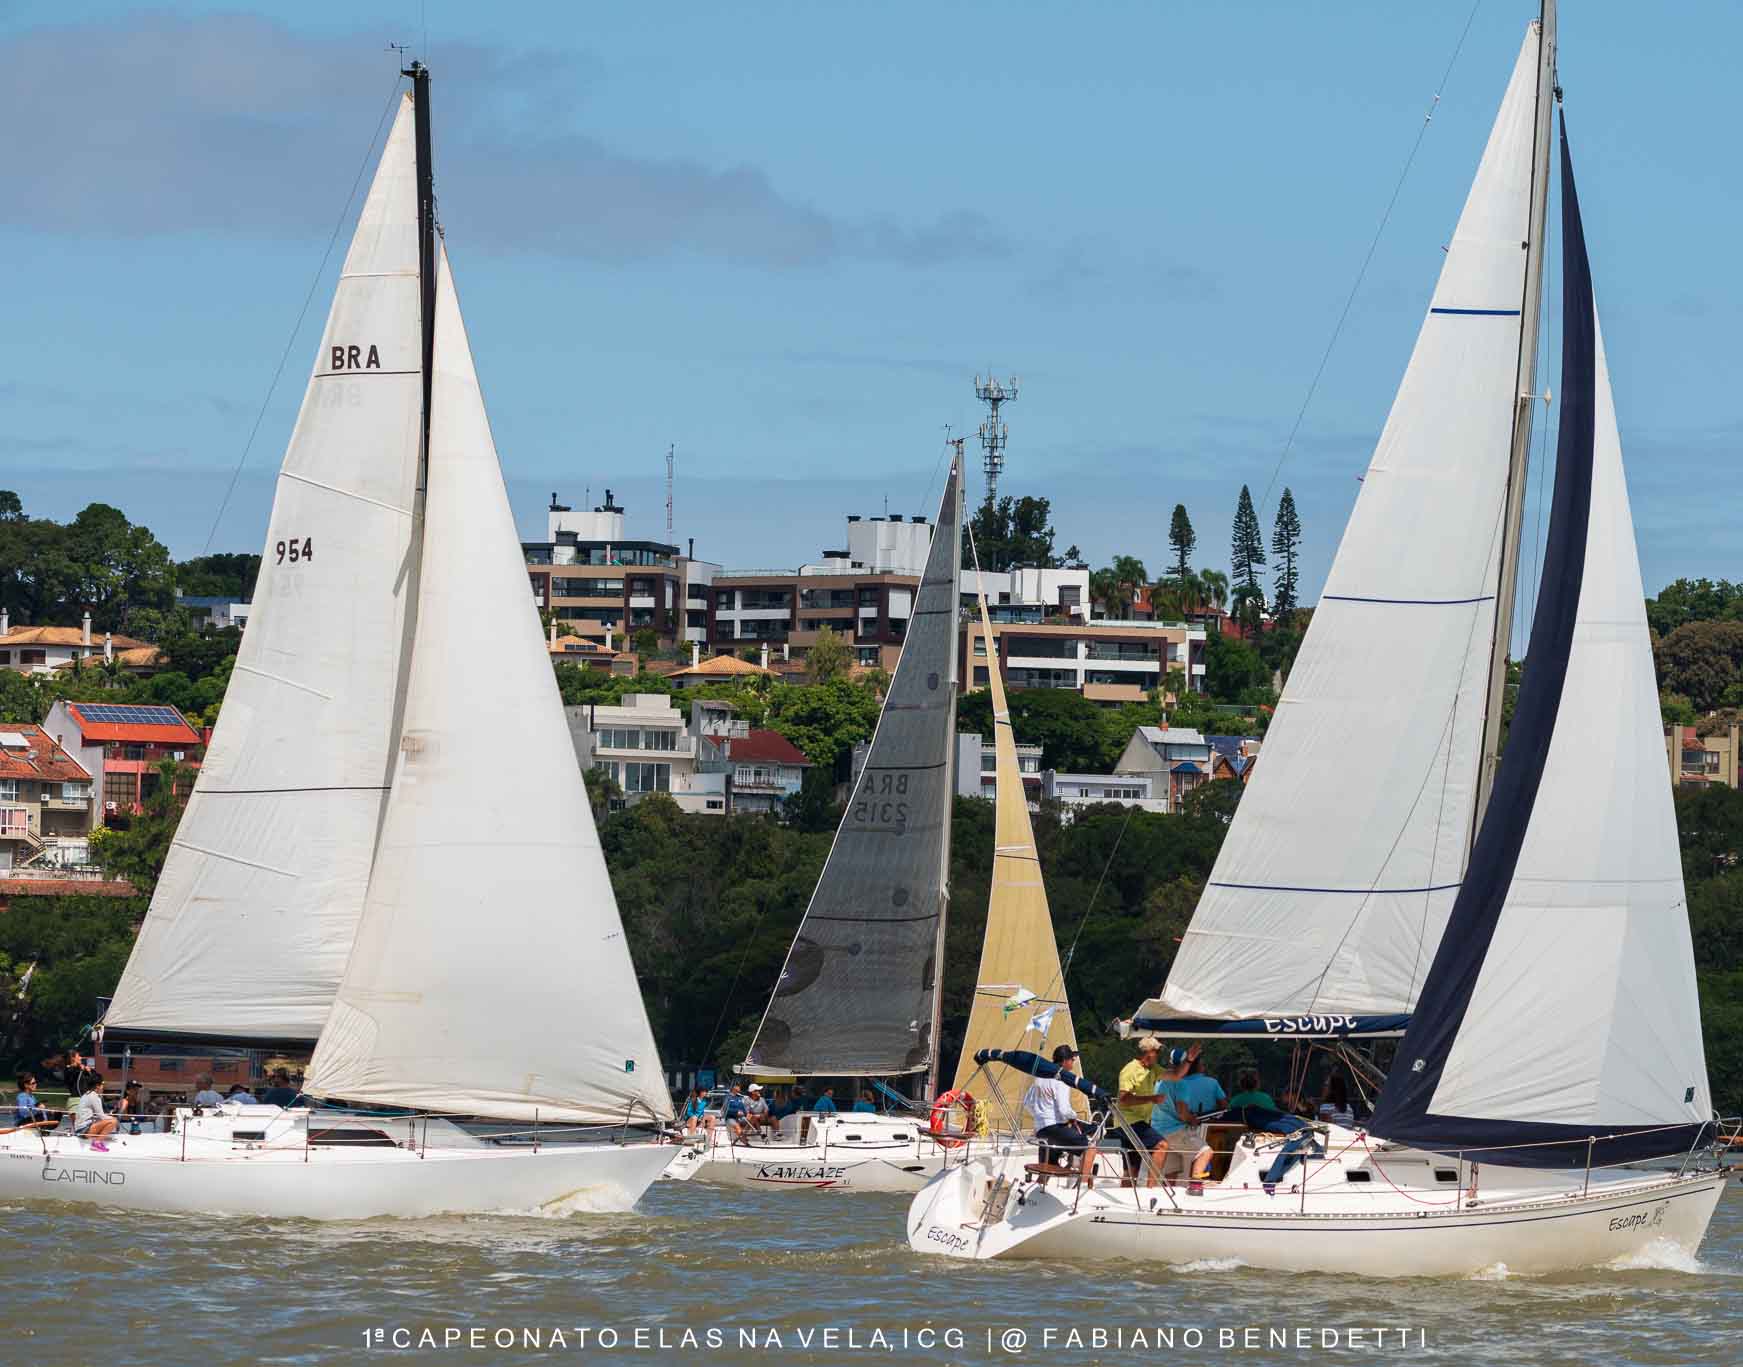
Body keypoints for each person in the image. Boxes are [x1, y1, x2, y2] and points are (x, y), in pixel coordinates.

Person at [1022, 1044, 1100, 1186]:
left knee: (1048, 1165)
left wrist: (1040, 1116)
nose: (1073, 1062)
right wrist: (1074, 1117)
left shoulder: (1040, 1077)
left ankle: (1037, 1190)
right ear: (1065, 1061)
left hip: (1041, 1130)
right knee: (1090, 1147)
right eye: (1072, 1059)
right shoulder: (1062, 1079)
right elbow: (1064, 1110)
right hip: (1055, 1128)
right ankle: (1081, 1187)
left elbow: (1027, 1102)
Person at [1153, 1047, 1213, 1186]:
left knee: (1172, 1170)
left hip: (1158, 1131)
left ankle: (1168, 1197)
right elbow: (1182, 1113)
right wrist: (1193, 1119)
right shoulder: (1181, 1084)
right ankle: (1195, 1187)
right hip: (1175, 1131)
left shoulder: (1159, 1080)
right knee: (1205, 1152)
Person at [1114, 1037, 1170, 1185]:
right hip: (1128, 1122)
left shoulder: (1153, 1069)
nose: (1159, 1055)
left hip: (1134, 1122)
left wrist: (1189, 1060)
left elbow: (1175, 1075)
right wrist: (1152, 1098)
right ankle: (1151, 1190)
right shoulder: (1130, 1069)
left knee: (1132, 1169)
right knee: (1162, 1145)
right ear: (1149, 1052)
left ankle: (1125, 1198)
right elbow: (1123, 1099)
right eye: (1157, 1052)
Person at [74, 1075, 117, 1148]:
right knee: (113, 1121)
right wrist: (114, 1119)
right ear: (97, 1086)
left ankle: (99, 1138)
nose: (103, 1086)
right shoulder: (94, 1096)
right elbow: (102, 1116)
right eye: (102, 1084)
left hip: (79, 1129)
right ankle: (97, 1142)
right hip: (84, 1131)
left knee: (108, 1120)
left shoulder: (86, 1094)